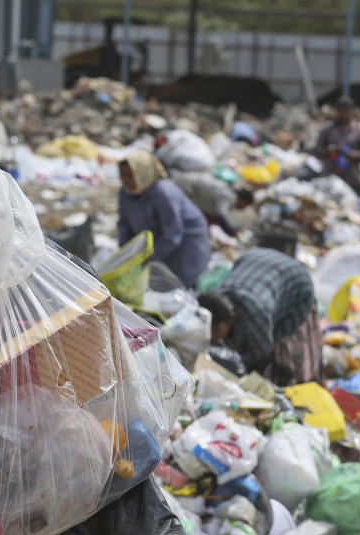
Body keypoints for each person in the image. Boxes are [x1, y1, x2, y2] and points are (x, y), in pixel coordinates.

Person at [197, 248, 321, 386]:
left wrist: (234, 369)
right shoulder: (217, 296)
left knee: (280, 349)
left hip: (297, 283)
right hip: (254, 259)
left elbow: (262, 351)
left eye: (214, 331)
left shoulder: (257, 312)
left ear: (231, 318)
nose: (211, 336)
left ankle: (296, 384)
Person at [117, 150, 211, 288]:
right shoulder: (126, 193)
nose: (126, 180)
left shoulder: (163, 193)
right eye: (123, 174)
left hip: (186, 242)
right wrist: (126, 253)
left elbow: (172, 234)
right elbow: (124, 224)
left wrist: (147, 259)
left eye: (131, 175)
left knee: (181, 283)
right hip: (158, 243)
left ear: (144, 173)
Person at [313, 96, 360, 192]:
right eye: (341, 111)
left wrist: (350, 154)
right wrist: (331, 151)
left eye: (347, 111)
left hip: (352, 176)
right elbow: (317, 151)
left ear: (352, 111)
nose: (344, 114)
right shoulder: (328, 129)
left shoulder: (359, 130)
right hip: (330, 174)